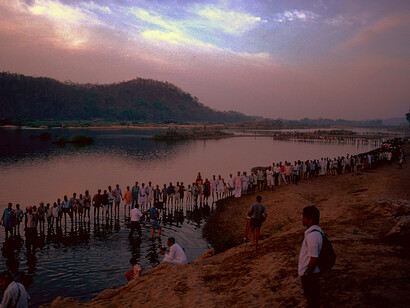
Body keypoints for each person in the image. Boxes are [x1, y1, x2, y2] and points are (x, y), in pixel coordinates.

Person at [298, 206, 323, 308]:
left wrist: (307, 273)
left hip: (310, 274)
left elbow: (314, 259)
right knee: (313, 298)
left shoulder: (312, 236)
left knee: (312, 300)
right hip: (312, 273)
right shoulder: (316, 232)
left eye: (304, 217)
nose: (302, 219)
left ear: (310, 220)